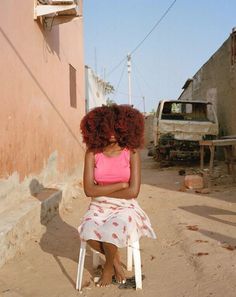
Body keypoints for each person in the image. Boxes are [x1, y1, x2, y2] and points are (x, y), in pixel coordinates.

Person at [78, 104, 156, 287]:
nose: (111, 132)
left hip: (125, 206)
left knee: (111, 230)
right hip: (98, 205)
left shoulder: (131, 153)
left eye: (117, 126)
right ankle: (114, 262)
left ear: (126, 127)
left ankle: (107, 269)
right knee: (88, 231)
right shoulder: (92, 153)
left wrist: (105, 189)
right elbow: (89, 190)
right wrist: (121, 185)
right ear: (98, 128)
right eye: (106, 127)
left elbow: (133, 191)